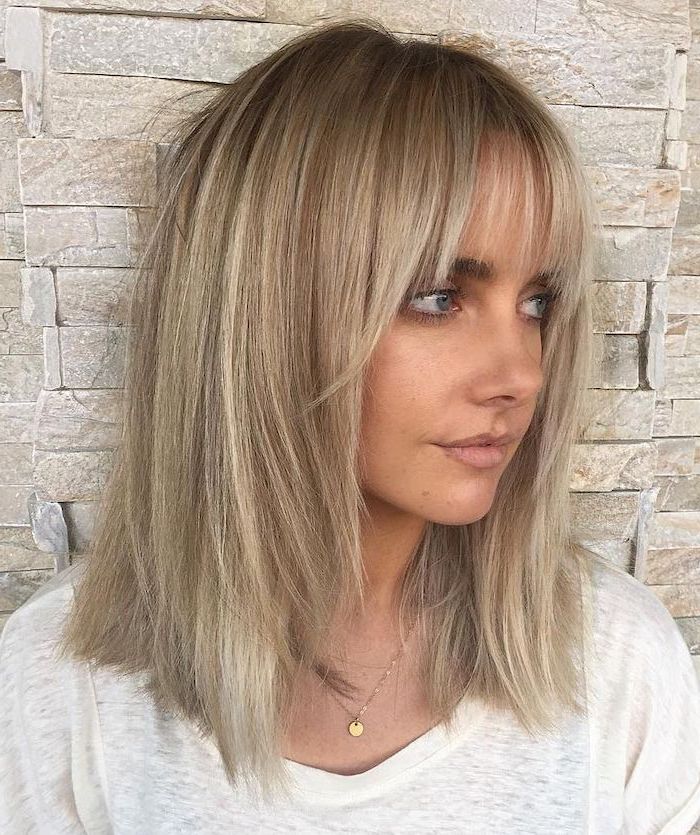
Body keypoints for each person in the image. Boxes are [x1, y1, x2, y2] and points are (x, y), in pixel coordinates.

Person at [1, 16, 700, 833]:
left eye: (536, 304)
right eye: (440, 297)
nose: (522, 375)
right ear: (266, 311)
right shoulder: (65, 682)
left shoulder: (615, 660)